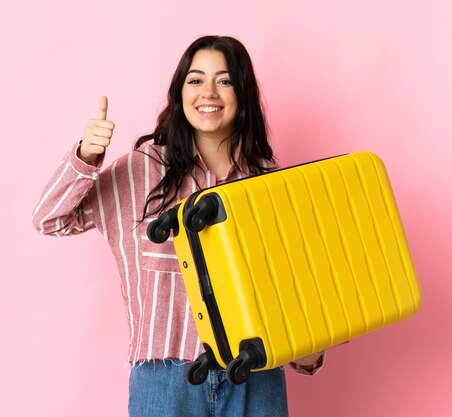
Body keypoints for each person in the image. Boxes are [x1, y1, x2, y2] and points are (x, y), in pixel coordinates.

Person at [32, 35, 325, 417]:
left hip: (257, 373)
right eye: (195, 79)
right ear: (179, 91)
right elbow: (51, 218)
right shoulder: (142, 169)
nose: (209, 92)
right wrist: (86, 156)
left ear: (243, 93)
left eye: (224, 80)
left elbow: (293, 285)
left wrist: (310, 350)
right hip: (165, 381)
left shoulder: (271, 182)